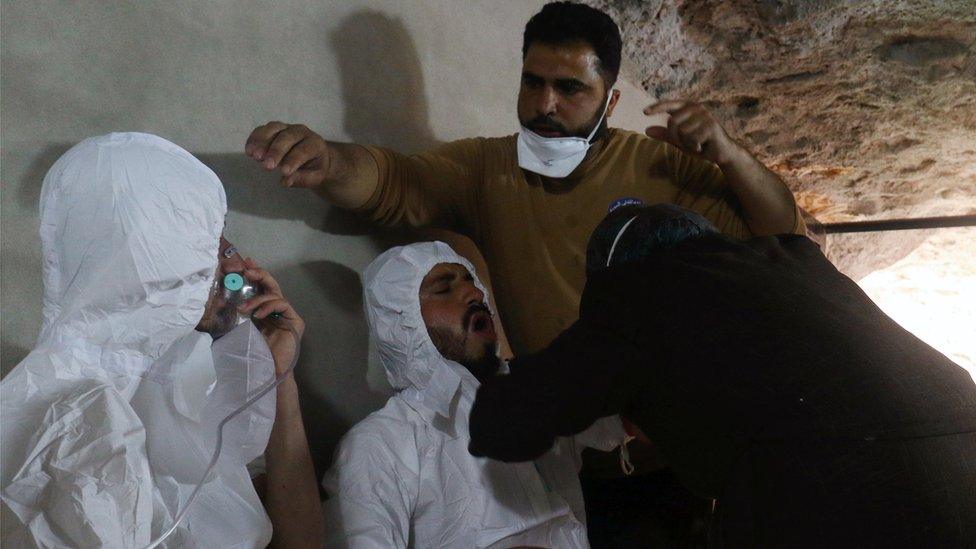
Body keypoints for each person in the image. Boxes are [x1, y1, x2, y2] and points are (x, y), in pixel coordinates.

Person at [245, 3, 804, 538]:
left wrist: (729, 154)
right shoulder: (488, 169)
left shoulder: (657, 164)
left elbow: (779, 235)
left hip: (674, 456)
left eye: (570, 89)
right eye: (532, 82)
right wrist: (330, 161)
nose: (545, 104)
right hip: (571, 466)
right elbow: (396, 182)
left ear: (609, 102)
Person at [468, 203, 976, 547]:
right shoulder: (797, 263)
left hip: (840, 497)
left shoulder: (638, 290)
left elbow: (507, 420)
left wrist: (497, 377)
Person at [0, 133, 322, 548]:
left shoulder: (174, 397)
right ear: (162, 257)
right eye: (214, 241)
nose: (238, 263)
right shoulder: (74, 426)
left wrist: (280, 378)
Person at [322, 241, 628, 548]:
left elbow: (634, 417)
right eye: (444, 290)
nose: (476, 294)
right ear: (402, 323)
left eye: (472, 281)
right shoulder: (378, 446)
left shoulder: (531, 396)